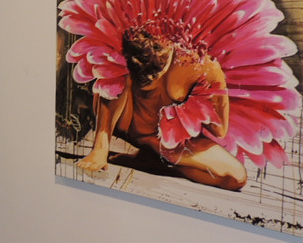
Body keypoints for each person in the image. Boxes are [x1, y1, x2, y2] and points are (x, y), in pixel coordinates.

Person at [76, 27, 248, 190]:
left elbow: (219, 130)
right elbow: (109, 86)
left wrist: (215, 85)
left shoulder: (201, 66)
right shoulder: (132, 38)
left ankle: (156, 162)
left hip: (161, 141)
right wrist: (100, 148)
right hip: (125, 124)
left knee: (236, 177)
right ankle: (106, 145)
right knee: (117, 68)